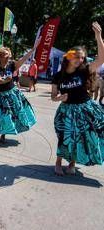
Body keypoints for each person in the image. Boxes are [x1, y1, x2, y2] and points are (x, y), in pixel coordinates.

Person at [51, 22, 104, 176]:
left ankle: (72, 163)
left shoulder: (84, 71)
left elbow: (101, 59)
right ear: (69, 56)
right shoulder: (58, 76)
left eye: (82, 58)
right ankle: (58, 162)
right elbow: (53, 97)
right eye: (77, 57)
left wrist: (98, 36)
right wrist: (59, 97)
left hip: (84, 109)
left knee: (80, 137)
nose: (80, 60)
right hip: (66, 110)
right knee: (64, 136)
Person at [0, 41, 39, 146]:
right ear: (0, 57)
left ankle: (4, 135)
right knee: (1, 116)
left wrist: (33, 49)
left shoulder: (12, 65)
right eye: (6, 55)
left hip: (12, 93)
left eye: (9, 55)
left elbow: (23, 59)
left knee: (11, 116)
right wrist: (5, 80)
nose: (9, 57)